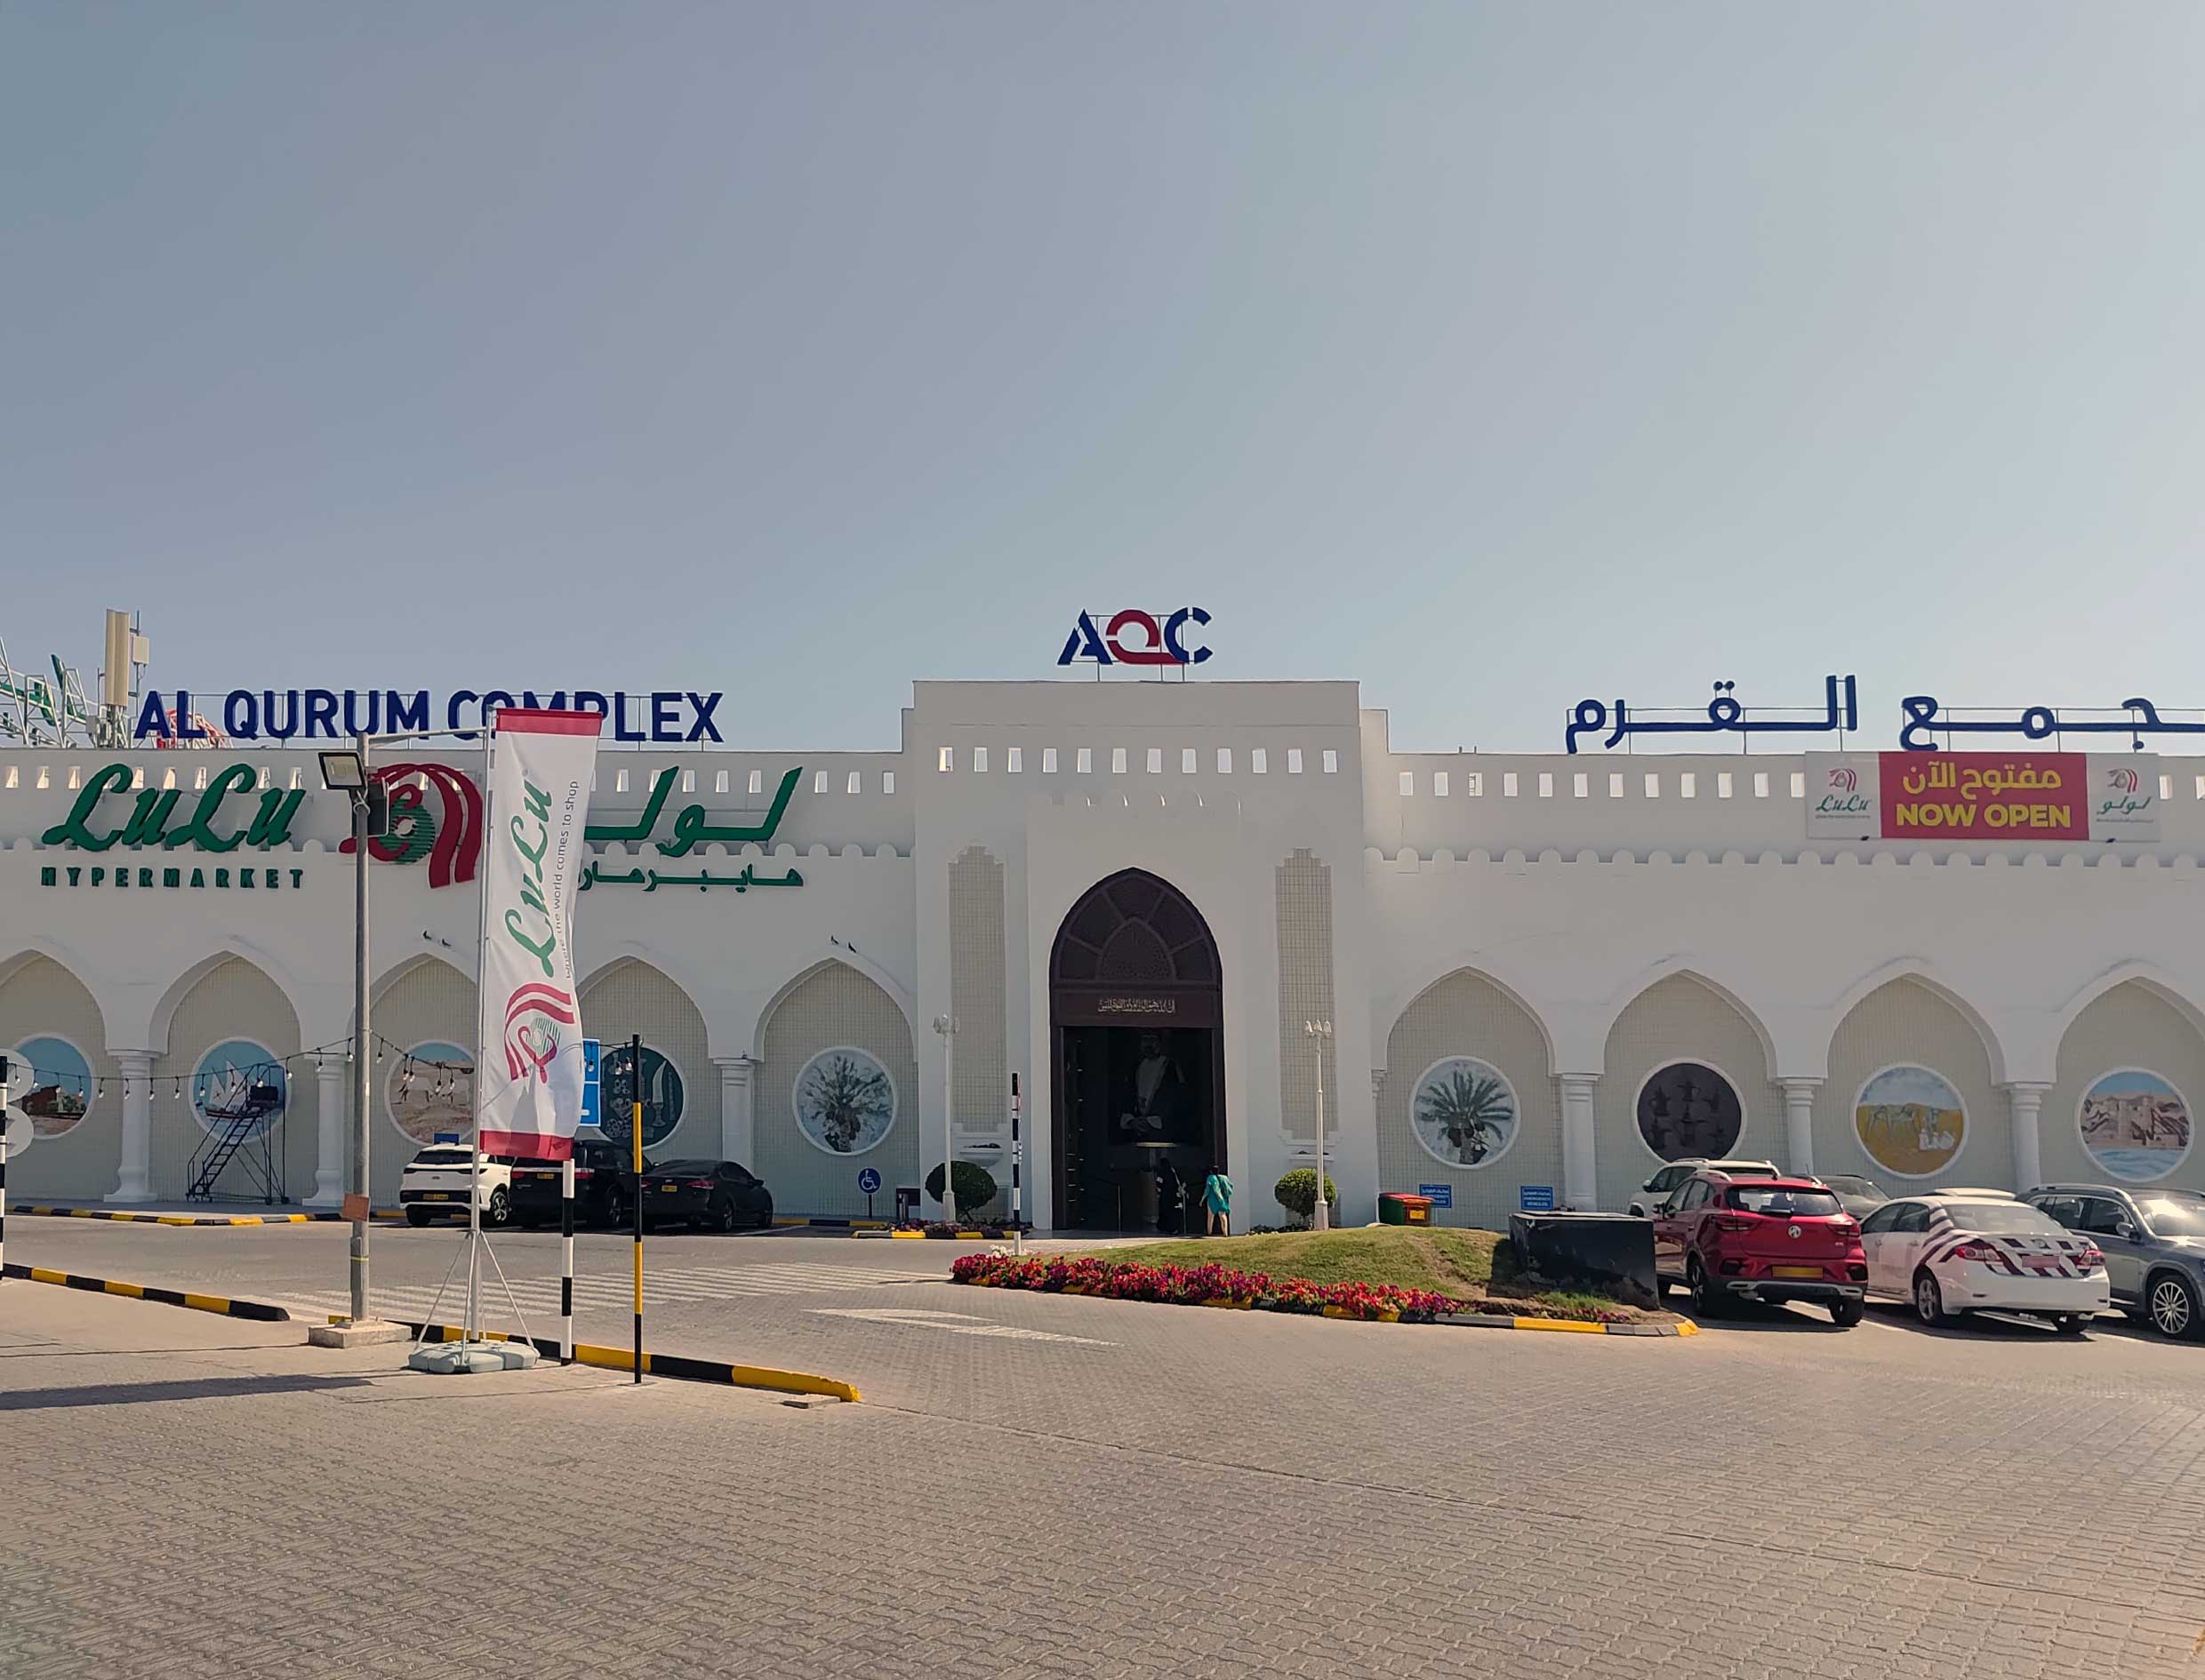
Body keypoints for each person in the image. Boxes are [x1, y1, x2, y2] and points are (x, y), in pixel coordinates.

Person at [1201, 1165, 1233, 1236]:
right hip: (1222, 1199)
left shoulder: (1210, 1178)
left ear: (1211, 1171)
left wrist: (1202, 1199)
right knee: (1223, 1216)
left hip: (1212, 1199)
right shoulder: (1224, 1178)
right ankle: (1225, 1232)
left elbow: (1207, 1190)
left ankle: (1209, 1232)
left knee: (1210, 1216)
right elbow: (1230, 1186)